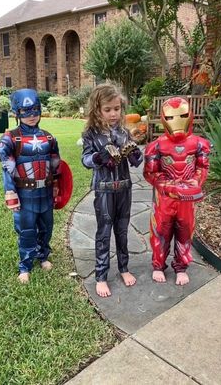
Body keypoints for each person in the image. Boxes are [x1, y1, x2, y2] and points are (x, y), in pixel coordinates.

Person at [81, 83, 143, 297]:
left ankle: (124, 268)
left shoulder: (124, 132)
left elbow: (135, 160)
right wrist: (98, 158)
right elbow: (85, 160)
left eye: (117, 108)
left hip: (124, 188)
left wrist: (135, 154)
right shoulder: (91, 133)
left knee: (123, 231)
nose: (113, 113)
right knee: (104, 231)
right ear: (97, 109)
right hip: (105, 189)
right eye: (107, 109)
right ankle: (101, 275)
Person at [143, 97, 210, 285]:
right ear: (164, 118)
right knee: (160, 231)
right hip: (165, 199)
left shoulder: (199, 143)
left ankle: (181, 267)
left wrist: (194, 183)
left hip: (187, 199)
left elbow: (203, 167)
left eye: (182, 115)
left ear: (190, 116)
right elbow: (150, 173)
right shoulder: (156, 146)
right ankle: (158, 265)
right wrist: (169, 187)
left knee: (185, 231)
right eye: (171, 116)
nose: (177, 120)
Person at [0, 88, 60, 283]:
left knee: (46, 227)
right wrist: (10, 193)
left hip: (46, 192)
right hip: (24, 194)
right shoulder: (9, 139)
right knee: (26, 230)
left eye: (35, 110)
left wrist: (58, 188)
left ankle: (43, 256)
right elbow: (7, 169)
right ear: (17, 112)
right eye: (26, 111)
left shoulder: (49, 138)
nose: (32, 115)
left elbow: (56, 165)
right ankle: (25, 265)